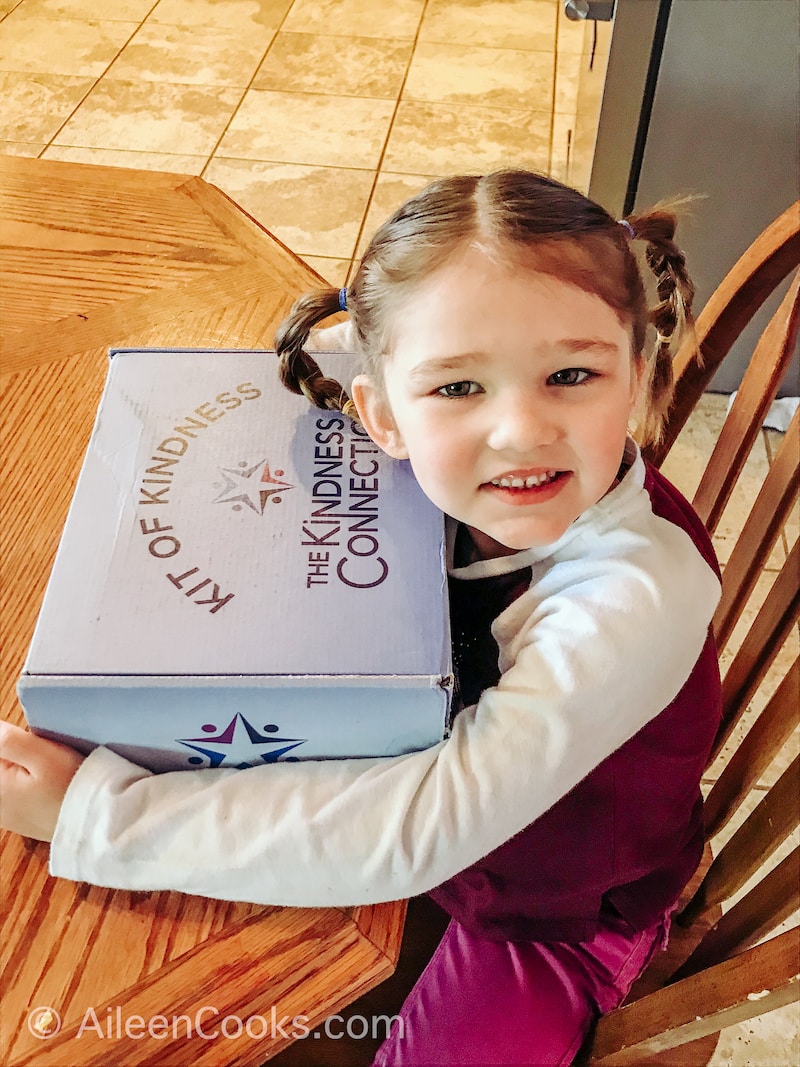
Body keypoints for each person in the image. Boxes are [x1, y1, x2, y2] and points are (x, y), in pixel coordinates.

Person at [0, 170, 722, 1066]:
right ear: (381, 417)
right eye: (458, 389)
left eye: (570, 374)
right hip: (454, 809)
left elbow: (423, 827)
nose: (521, 430)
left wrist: (91, 812)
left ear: (641, 372)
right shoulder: (451, 474)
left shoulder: (638, 595)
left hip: (554, 911)